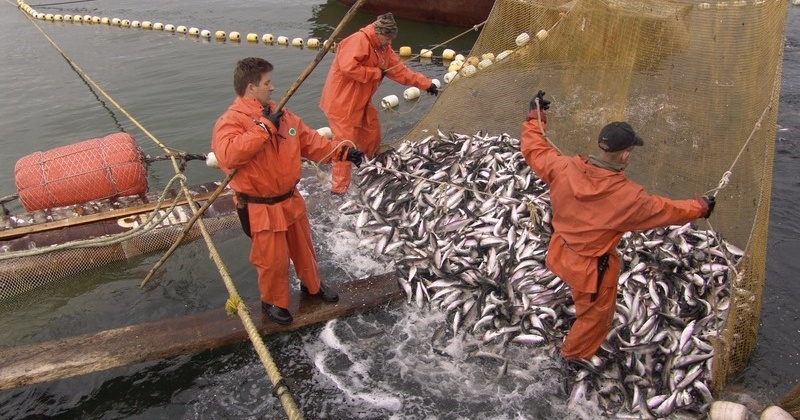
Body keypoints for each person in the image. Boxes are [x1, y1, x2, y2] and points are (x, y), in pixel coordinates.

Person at [519, 91, 716, 362]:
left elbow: (534, 149)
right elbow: (670, 211)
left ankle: (575, 318)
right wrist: (701, 207)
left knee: (583, 298)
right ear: (624, 156)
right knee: (596, 319)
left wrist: (535, 117)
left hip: (559, 252)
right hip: (591, 270)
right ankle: (570, 360)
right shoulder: (629, 198)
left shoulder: (563, 167)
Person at [211, 57, 364, 325]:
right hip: (260, 206)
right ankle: (273, 302)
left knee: (304, 249)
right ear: (250, 87)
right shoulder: (230, 121)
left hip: (290, 199)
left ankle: (312, 287)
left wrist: (343, 151)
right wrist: (264, 128)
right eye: (267, 83)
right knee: (273, 261)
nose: (272, 87)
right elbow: (228, 156)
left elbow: (310, 141)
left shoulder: (282, 114)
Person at [320, 12, 439, 195]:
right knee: (345, 145)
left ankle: (367, 166)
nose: (390, 43)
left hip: (361, 100)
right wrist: (376, 73)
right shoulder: (359, 40)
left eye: (392, 39)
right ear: (378, 33)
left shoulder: (383, 47)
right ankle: (339, 188)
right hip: (342, 102)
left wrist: (426, 84)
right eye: (388, 38)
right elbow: (347, 68)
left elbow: (400, 71)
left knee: (372, 131)